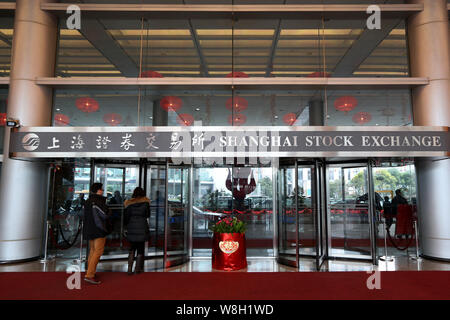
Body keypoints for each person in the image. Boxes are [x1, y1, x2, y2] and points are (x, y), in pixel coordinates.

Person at [83, 183, 110, 285]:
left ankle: (90, 272)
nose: (102, 191)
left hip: (89, 229)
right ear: (98, 190)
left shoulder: (87, 201)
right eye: (101, 189)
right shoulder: (98, 202)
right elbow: (104, 216)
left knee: (92, 251)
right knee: (98, 252)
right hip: (98, 230)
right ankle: (90, 275)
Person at [124, 187, 150, 275]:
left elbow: (126, 217)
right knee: (140, 248)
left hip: (131, 226)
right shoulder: (146, 203)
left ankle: (129, 269)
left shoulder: (129, 203)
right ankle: (137, 269)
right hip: (142, 226)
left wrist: (127, 226)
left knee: (132, 247)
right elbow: (147, 215)